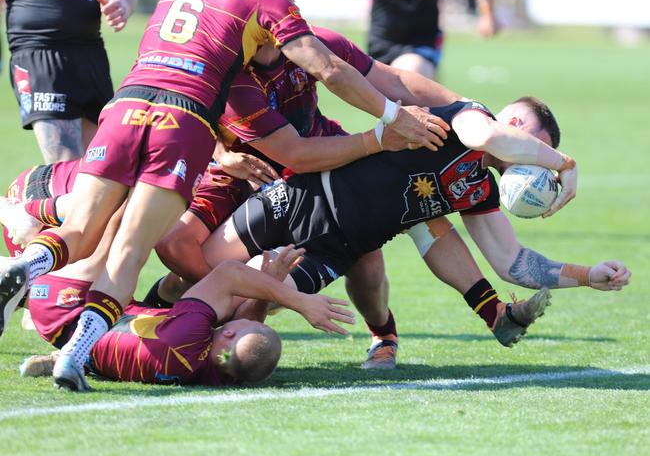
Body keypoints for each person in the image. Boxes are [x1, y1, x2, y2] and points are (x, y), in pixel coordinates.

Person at [0, 0, 449, 392]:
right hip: (186, 122)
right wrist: (390, 122)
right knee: (136, 251)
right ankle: (80, 352)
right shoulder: (264, 3)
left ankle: (27, 264)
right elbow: (325, 77)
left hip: (128, 103)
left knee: (85, 223)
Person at [181, 97, 630, 367]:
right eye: (535, 146)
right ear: (513, 124)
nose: (535, 160)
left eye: (542, 155)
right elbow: (486, 138)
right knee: (199, 267)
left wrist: (588, 275)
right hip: (301, 198)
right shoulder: (467, 119)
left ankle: (185, 349)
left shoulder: (479, 189)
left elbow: (513, 263)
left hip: (335, 249)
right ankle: (146, 313)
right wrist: (564, 163)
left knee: (241, 306)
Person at [13, 199, 354, 390]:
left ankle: (22, 215)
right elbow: (246, 338)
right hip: (66, 334)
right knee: (175, 280)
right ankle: (58, 357)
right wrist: (267, 294)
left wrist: (297, 300)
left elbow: (229, 274)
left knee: (123, 213)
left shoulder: (190, 334)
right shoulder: (219, 373)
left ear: (231, 334)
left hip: (65, 306)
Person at [0, 0, 137, 162]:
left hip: (91, 55)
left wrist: (123, 5)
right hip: (38, 54)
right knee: (66, 163)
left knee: (104, 167)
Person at [346, 0, 498, 79]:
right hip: (383, 37)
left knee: (411, 77)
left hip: (422, 38)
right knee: (417, 98)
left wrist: (487, 14)